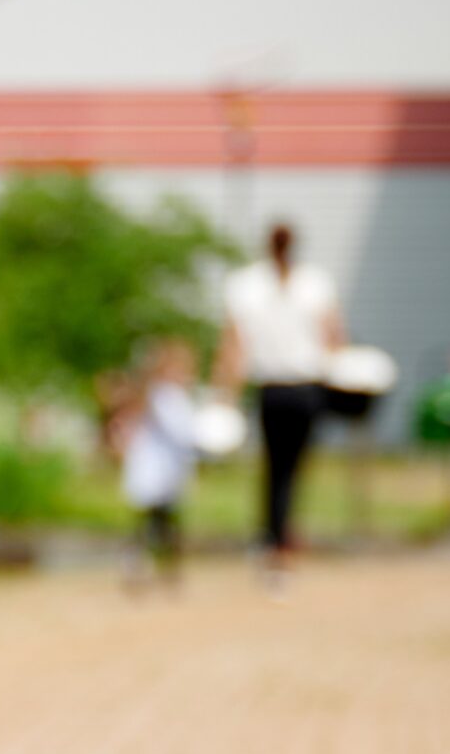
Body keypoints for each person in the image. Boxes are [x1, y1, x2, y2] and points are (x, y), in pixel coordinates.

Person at [218, 221, 346, 572]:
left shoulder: (246, 285)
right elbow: (334, 336)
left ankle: (273, 534)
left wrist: (225, 393)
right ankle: (281, 533)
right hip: (306, 387)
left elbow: (232, 345)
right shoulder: (315, 283)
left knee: (275, 466)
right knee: (294, 465)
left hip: (272, 389)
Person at [115, 339, 202, 585]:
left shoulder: (178, 398)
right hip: (154, 467)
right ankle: (141, 563)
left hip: (170, 469)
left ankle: (166, 568)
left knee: (167, 521)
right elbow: (179, 432)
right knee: (149, 520)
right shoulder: (159, 396)